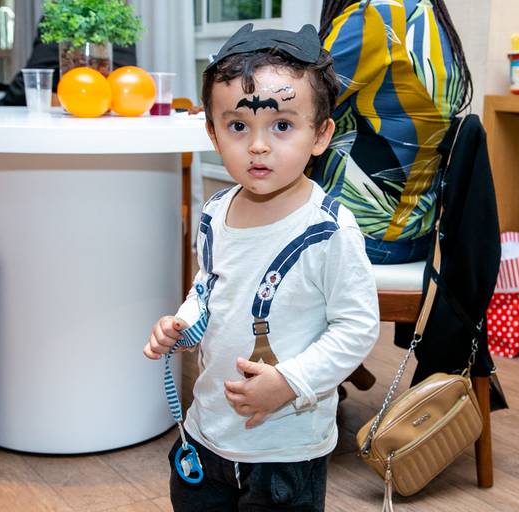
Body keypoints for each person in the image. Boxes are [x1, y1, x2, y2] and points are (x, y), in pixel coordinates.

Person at [143, 23, 379, 511]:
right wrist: (183, 323)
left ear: (321, 134)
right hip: (206, 433)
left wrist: (289, 383)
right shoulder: (214, 211)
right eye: (237, 127)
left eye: (283, 125)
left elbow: (356, 328)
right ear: (212, 132)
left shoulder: (331, 230)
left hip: (285, 449)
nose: (257, 146)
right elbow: (208, 288)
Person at [0, 18, 137, 248]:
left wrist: (1, 104)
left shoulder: (63, 22)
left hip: (58, 132)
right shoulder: (119, 22)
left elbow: (35, 79)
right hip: (110, 132)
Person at [312, 0, 473, 265]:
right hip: (412, 234)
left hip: (358, 235)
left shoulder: (378, 15)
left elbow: (290, 101)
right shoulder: (431, 18)